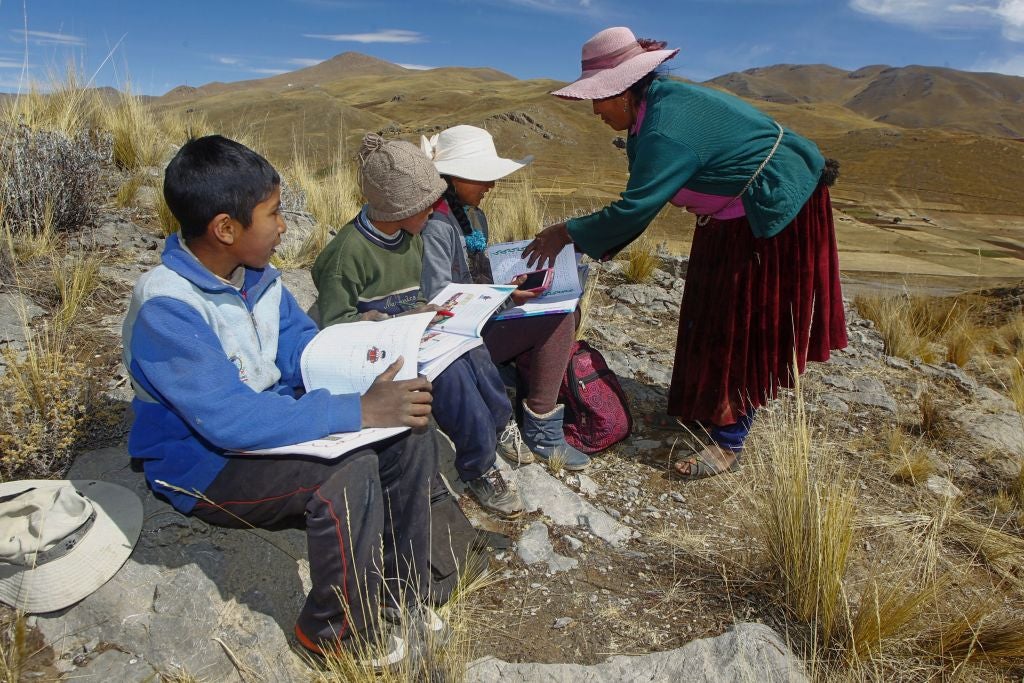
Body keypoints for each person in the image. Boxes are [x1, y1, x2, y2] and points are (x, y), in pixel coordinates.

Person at [122, 135, 440, 664]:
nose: (284, 226)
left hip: (272, 431)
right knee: (348, 472)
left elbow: (302, 353)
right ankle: (336, 633)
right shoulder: (166, 307)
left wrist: (368, 351)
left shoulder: (259, 280)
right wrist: (357, 409)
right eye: (273, 213)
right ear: (226, 229)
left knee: (408, 432)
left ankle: (402, 588)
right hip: (205, 464)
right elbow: (228, 419)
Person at [524, 27, 848, 479]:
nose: (595, 110)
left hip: (770, 211)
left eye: (598, 98)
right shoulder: (650, 110)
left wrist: (565, 233)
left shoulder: (664, 125)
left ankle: (729, 441)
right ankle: (704, 406)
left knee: (738, 322)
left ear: (623, 91)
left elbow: (635, 209)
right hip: (728, 216)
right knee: (707, 309)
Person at [311, 133, 525, 518]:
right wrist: (391, 323)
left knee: (472, 349)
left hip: (411, 336)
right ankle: (478, 465)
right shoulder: (348, 254)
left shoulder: (409, 236)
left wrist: (425, 312)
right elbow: (334, 328)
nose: (434, 212)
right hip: (376, 355)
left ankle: (498, 424)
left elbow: (413, 296)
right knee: (452, 378)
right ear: (398, 207)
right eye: (426, 206)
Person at [419, 125, 590, 471]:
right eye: (482, 177)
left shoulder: (472, 216)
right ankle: (542, 428)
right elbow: (441, 301)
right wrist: (507, 299)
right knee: (558, 319)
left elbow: (475, 274)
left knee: (567, 310)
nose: (491, 186)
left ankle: (514, 379)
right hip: (455, 339)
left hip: (478, 322)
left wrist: (511, 283)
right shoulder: (436, 225)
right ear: (452, 178)